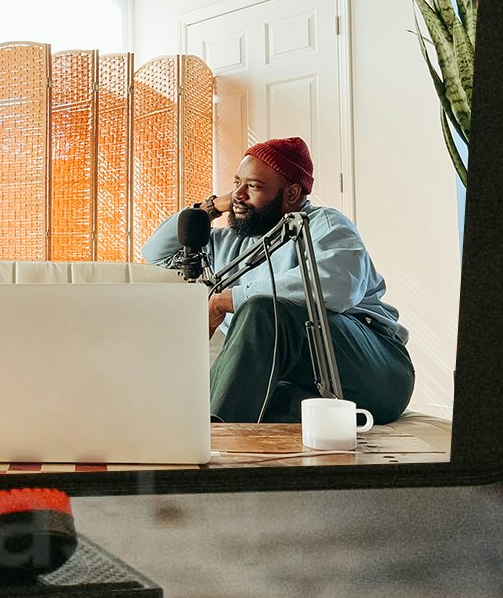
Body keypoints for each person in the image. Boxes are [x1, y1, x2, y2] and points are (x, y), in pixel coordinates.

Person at [153, 131, 414, 430]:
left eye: (253, 186)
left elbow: (337, 286)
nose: (239, 194)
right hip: (300, 384)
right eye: (237, 183)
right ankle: (192, 434)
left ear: (291, 194)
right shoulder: (228, 242)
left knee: (263, 310)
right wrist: (211, 207)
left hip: (375, 373)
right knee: (238, 397)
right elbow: (157, 254)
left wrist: (230, 299)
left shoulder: (326, 224)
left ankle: (204, 439)